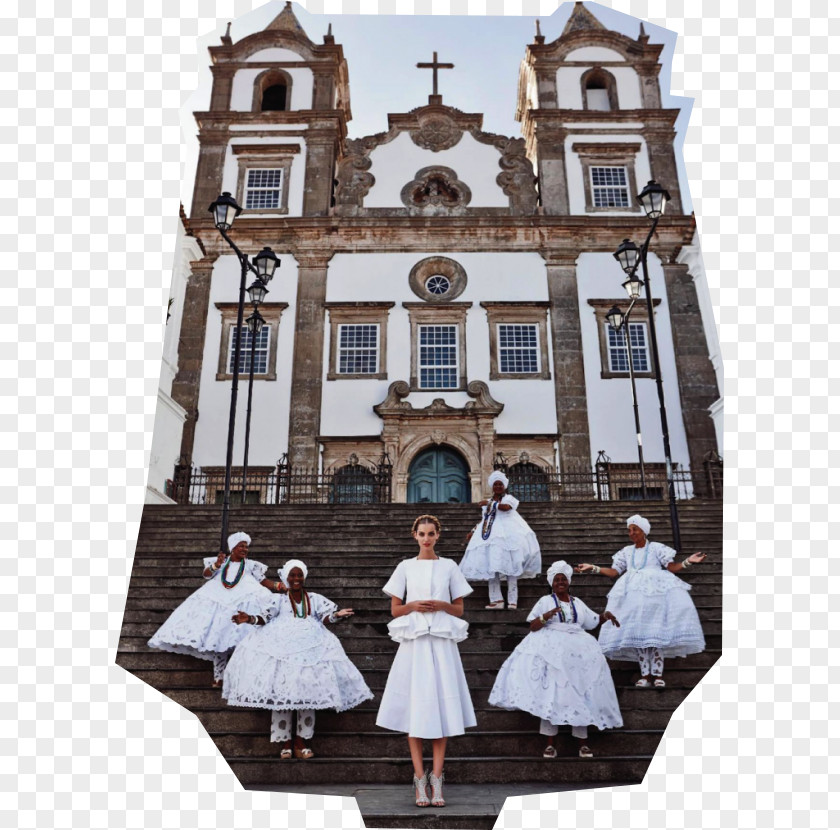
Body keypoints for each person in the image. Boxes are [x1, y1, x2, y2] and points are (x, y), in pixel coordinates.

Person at [221, 559, 372, 760]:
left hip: (312, 648)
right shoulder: (279, 600)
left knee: (307, 691)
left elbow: (325, 617)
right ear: (285, 578)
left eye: (299, 575)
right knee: (283, 691)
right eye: (292, 575)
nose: (296, 579)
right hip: (282, 648)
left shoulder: (315, 598)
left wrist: (337, 615)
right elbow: (264, 618)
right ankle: (285, 741)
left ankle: (302, 740)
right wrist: (248, 619)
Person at [376, 515, 476, 808]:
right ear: (415, 535)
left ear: (438, 535)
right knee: (416, 708)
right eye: (422, 534)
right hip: (415, 642)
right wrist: (413, 606)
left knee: (442, 707)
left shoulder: (449, 566)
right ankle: (420, 779)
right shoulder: (405, 567)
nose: (427, 538)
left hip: (442, 642)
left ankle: (438, 777)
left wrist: (443, 605)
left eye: (431, 533)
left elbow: (458, 609)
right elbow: (395, 610)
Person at [488, 561, 623, 758]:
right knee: (551, 693)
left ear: (569, 581)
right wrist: (547, 616)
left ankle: (582, 743)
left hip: (578, 652)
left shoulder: (577, 602)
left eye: (564, 579)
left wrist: (605, 616)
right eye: (557, 579)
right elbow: (533, 625)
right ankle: (550, 743)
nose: (561, 582)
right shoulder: (545, 601)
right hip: (552, 653)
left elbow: (591, 622)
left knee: (581, 691)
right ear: (551, 583)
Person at [576, 514, 706, 687]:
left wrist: (688, 561)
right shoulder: (626, 552)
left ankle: (657, 674)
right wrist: (593, 568)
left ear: (644, 531)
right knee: (640, 633)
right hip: (632, 596)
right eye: (629, 530)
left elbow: (672, 568)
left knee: (655, 633)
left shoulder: (656, 548)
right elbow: (614, 572)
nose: (631, 533)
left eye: (634, 529)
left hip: (655, 594)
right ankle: (645, 674)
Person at [147, 532, 284, 686]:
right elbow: (206, 575)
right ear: (233, 548)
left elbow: (264, 581)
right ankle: (219, 676)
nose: (245, 549)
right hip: (218, 600)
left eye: (246, 547)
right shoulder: (221, 562)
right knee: (219, 637)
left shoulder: (251, 565)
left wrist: (279, 586)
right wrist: (216, 565)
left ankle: (242, 676)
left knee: (244, 638)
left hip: (246, 600)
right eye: (241, 546)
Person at [459, 471, 541, 610]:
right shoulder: (488, 503)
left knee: (512, 567)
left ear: (504, 486)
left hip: (510, 537)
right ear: (492, 486)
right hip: (492, 537)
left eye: (500, 484)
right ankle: (496, 600)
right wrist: (473, 531)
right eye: (495, 484)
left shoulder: (509, 498)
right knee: (493, 567)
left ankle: (512, 600)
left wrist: (490, 503)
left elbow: (506, 508)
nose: (498, 486)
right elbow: (485, 519)